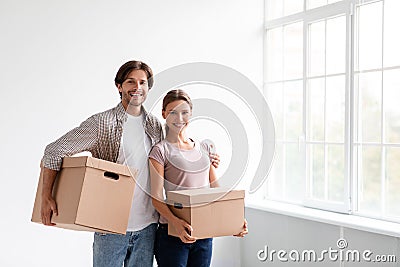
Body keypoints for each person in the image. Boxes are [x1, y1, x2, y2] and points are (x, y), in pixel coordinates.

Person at [39, 60, 220, 267]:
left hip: (148, 229)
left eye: (143, 82)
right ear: (119, 86)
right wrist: (46, 196)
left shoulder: (154, 125)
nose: (137, 88)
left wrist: (208, 156)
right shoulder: (102, 123)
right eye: (131, 82)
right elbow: (53, 152)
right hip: (110, 228)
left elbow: (176, 152)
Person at [149, 89, 248, 267]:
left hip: (203, 234)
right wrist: (177, 224)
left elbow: (216, 191)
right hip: (172, 234)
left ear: (191, 114)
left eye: (184, 112)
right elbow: (156, 197)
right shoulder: (160, 150)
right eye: (173, 112)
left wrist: (233, 221)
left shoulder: (203, 148)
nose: (179, 118)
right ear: (164, 114)